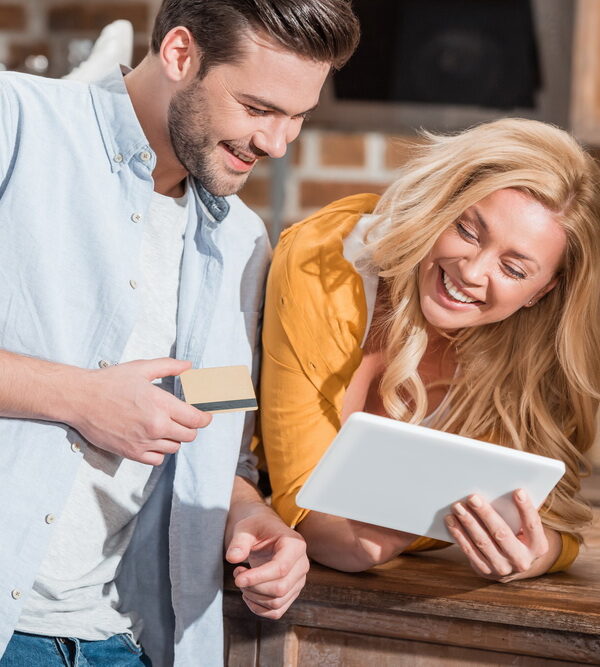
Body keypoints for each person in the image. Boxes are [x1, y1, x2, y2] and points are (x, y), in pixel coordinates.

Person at [0, 1, 360, 665]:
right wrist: (79, 396)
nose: (278, 144)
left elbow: (214, 430)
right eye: (258, 109)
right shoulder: (16, 123)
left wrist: (251, 516)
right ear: (179, 55)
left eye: (297, 116)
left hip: (120, 636)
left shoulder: (242, 242)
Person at [258, 118, 600, 581]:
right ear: (443, 204)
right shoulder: (326, 262)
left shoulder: (540, 353)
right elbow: (303, 502)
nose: (472, 272)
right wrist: (405, 532)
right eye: (468, 230)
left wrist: (530, 555)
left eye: (514, 269)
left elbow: (555, 518)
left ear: (542, 291)